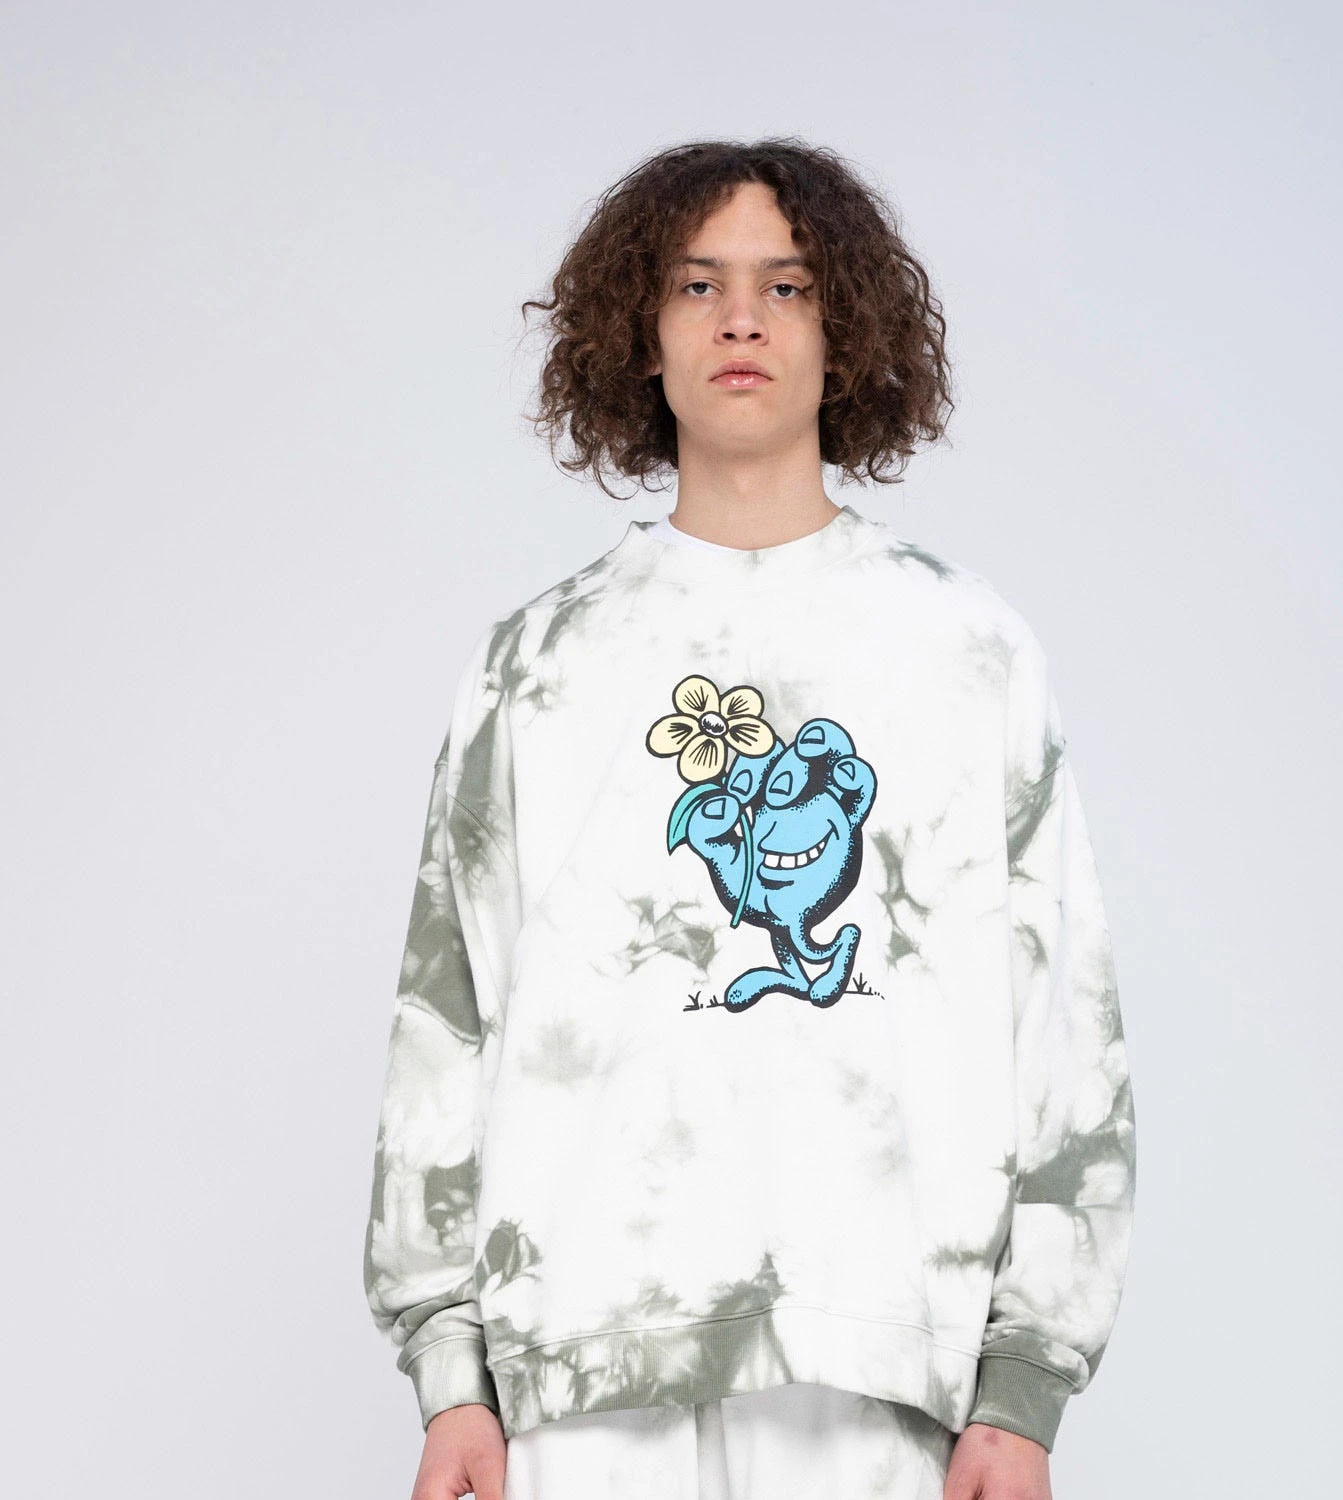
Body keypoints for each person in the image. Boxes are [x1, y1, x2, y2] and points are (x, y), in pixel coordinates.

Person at [362, 137, 1137, 1500]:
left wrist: (1023, 1388)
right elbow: (448, 1019)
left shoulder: (965, 649)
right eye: (696, 284)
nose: (740, 319)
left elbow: (1063, 1027)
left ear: (847, 336)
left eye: (787, 287)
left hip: (881, 1360)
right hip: (584, 1367)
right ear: (639, 333)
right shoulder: (537, 664)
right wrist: (451, 1373)